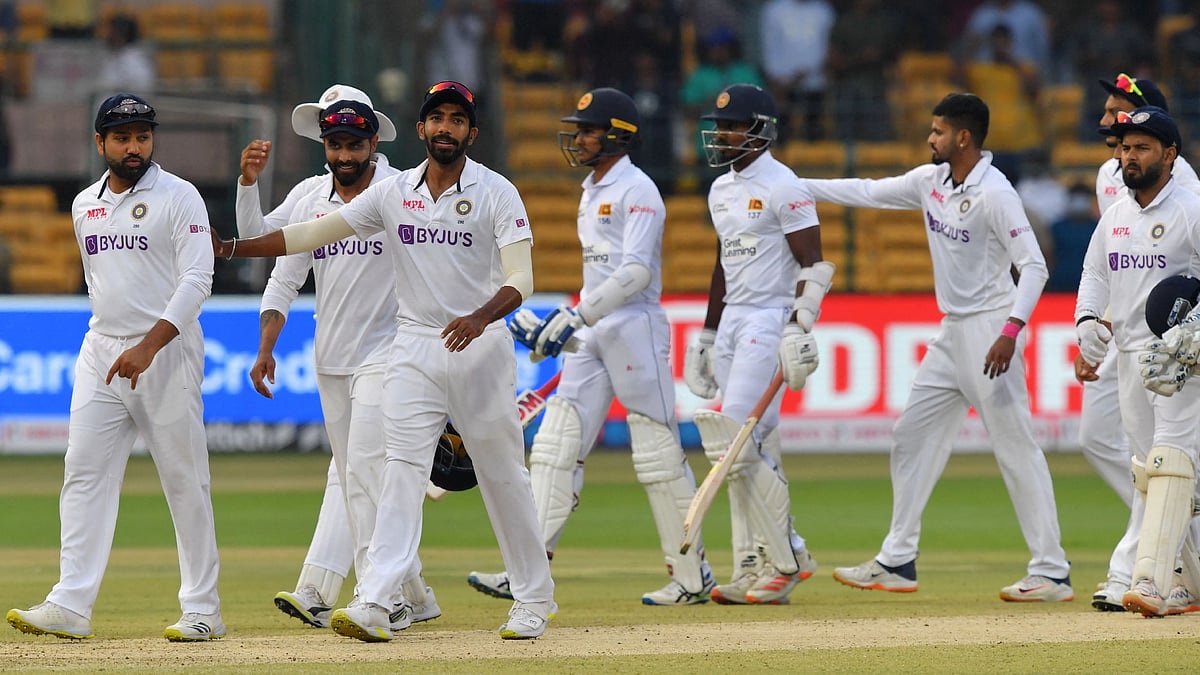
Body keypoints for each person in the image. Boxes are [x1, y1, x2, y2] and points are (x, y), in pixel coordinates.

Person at [211, 80, 556, 640]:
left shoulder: (498, 193)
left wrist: (480, 317)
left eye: (457, 120)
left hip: (481, 347)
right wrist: (229, 248)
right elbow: (303, 236)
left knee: (502, 476)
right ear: (421, 129)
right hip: (415, 346)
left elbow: (523, 277)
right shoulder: (393, 195)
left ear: (472, 131)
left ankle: (534, 599)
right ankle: (377, 599)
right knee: (397, 473)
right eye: (437, 119)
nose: (446, 128)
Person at [806, 93, 1073, 602]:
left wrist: (1011, 330)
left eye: (938, 131)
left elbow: (1035, 266)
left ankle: (1052, 571)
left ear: (963, 137)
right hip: (952, 333)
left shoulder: (996, 193)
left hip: (991, 330)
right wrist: (792, 188)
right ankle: (898, 559)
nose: (930, 138)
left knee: (1016, 448)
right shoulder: (931, 182)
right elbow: (866, 190)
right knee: (911, 435)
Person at [467, 87, 714, 606]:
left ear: (618, 135)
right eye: (577, 130)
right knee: (555, 448)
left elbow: (638, 270)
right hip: (596, 328)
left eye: (588, 130)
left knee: (657, 455)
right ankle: (526, 573)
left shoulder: (638, 190)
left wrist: (575, 314)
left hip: (635, 329)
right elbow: (602, 272)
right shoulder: (591, 187)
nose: (578, 139)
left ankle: (692, 576)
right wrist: (556, 321)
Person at [6, 93, 223, 640]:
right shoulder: (85, 205)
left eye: (143, 136)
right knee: (83, 472)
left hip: (165, 351)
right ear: (99, 142)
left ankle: (203, 608)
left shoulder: (180, 196)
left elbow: (197, 281)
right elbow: (103, 284)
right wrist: (116, 342)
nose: (135, 147)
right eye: (122, 137)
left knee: (184, 479)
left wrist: (149, 345)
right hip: (101, 349)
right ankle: (71, 603)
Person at [234, 84, 439, 631]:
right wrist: (247, 186)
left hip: (392, 351)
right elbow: (272, 259)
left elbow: (444, 263)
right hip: (333, 356)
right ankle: (415, 595)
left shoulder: (402, 191)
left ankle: (383, 596)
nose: (344, 155)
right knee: (354, 479)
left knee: (368, 470)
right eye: (334, 144)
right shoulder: (309, 196)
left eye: (354, 144)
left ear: (373, 141)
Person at [681, 83, 828, 605]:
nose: (720, 134)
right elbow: (724, 263)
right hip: (735, 321)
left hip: (770, 317)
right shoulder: (720, 188)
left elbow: (815, 265)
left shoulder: (786, 186)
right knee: (754, 447)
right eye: (718, 126)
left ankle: (789, 552)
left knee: (731, 439)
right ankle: (753, 566)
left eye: (732, 125)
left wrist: (798, 325)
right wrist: (706, 332)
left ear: (760, 129)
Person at [1076, 106, 1200, 617]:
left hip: (1180, 361)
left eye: (1142, 147)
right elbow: (1095, 272)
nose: (1129, 156)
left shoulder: (1191, 207)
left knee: (1170, 463)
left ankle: (1147, 579)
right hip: (1129, 359)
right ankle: (1189, 582)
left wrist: (1191, 335)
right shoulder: (1117, 214)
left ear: (1169, 155)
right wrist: (1087, 322)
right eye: (1125, 147)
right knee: (1152, 473)